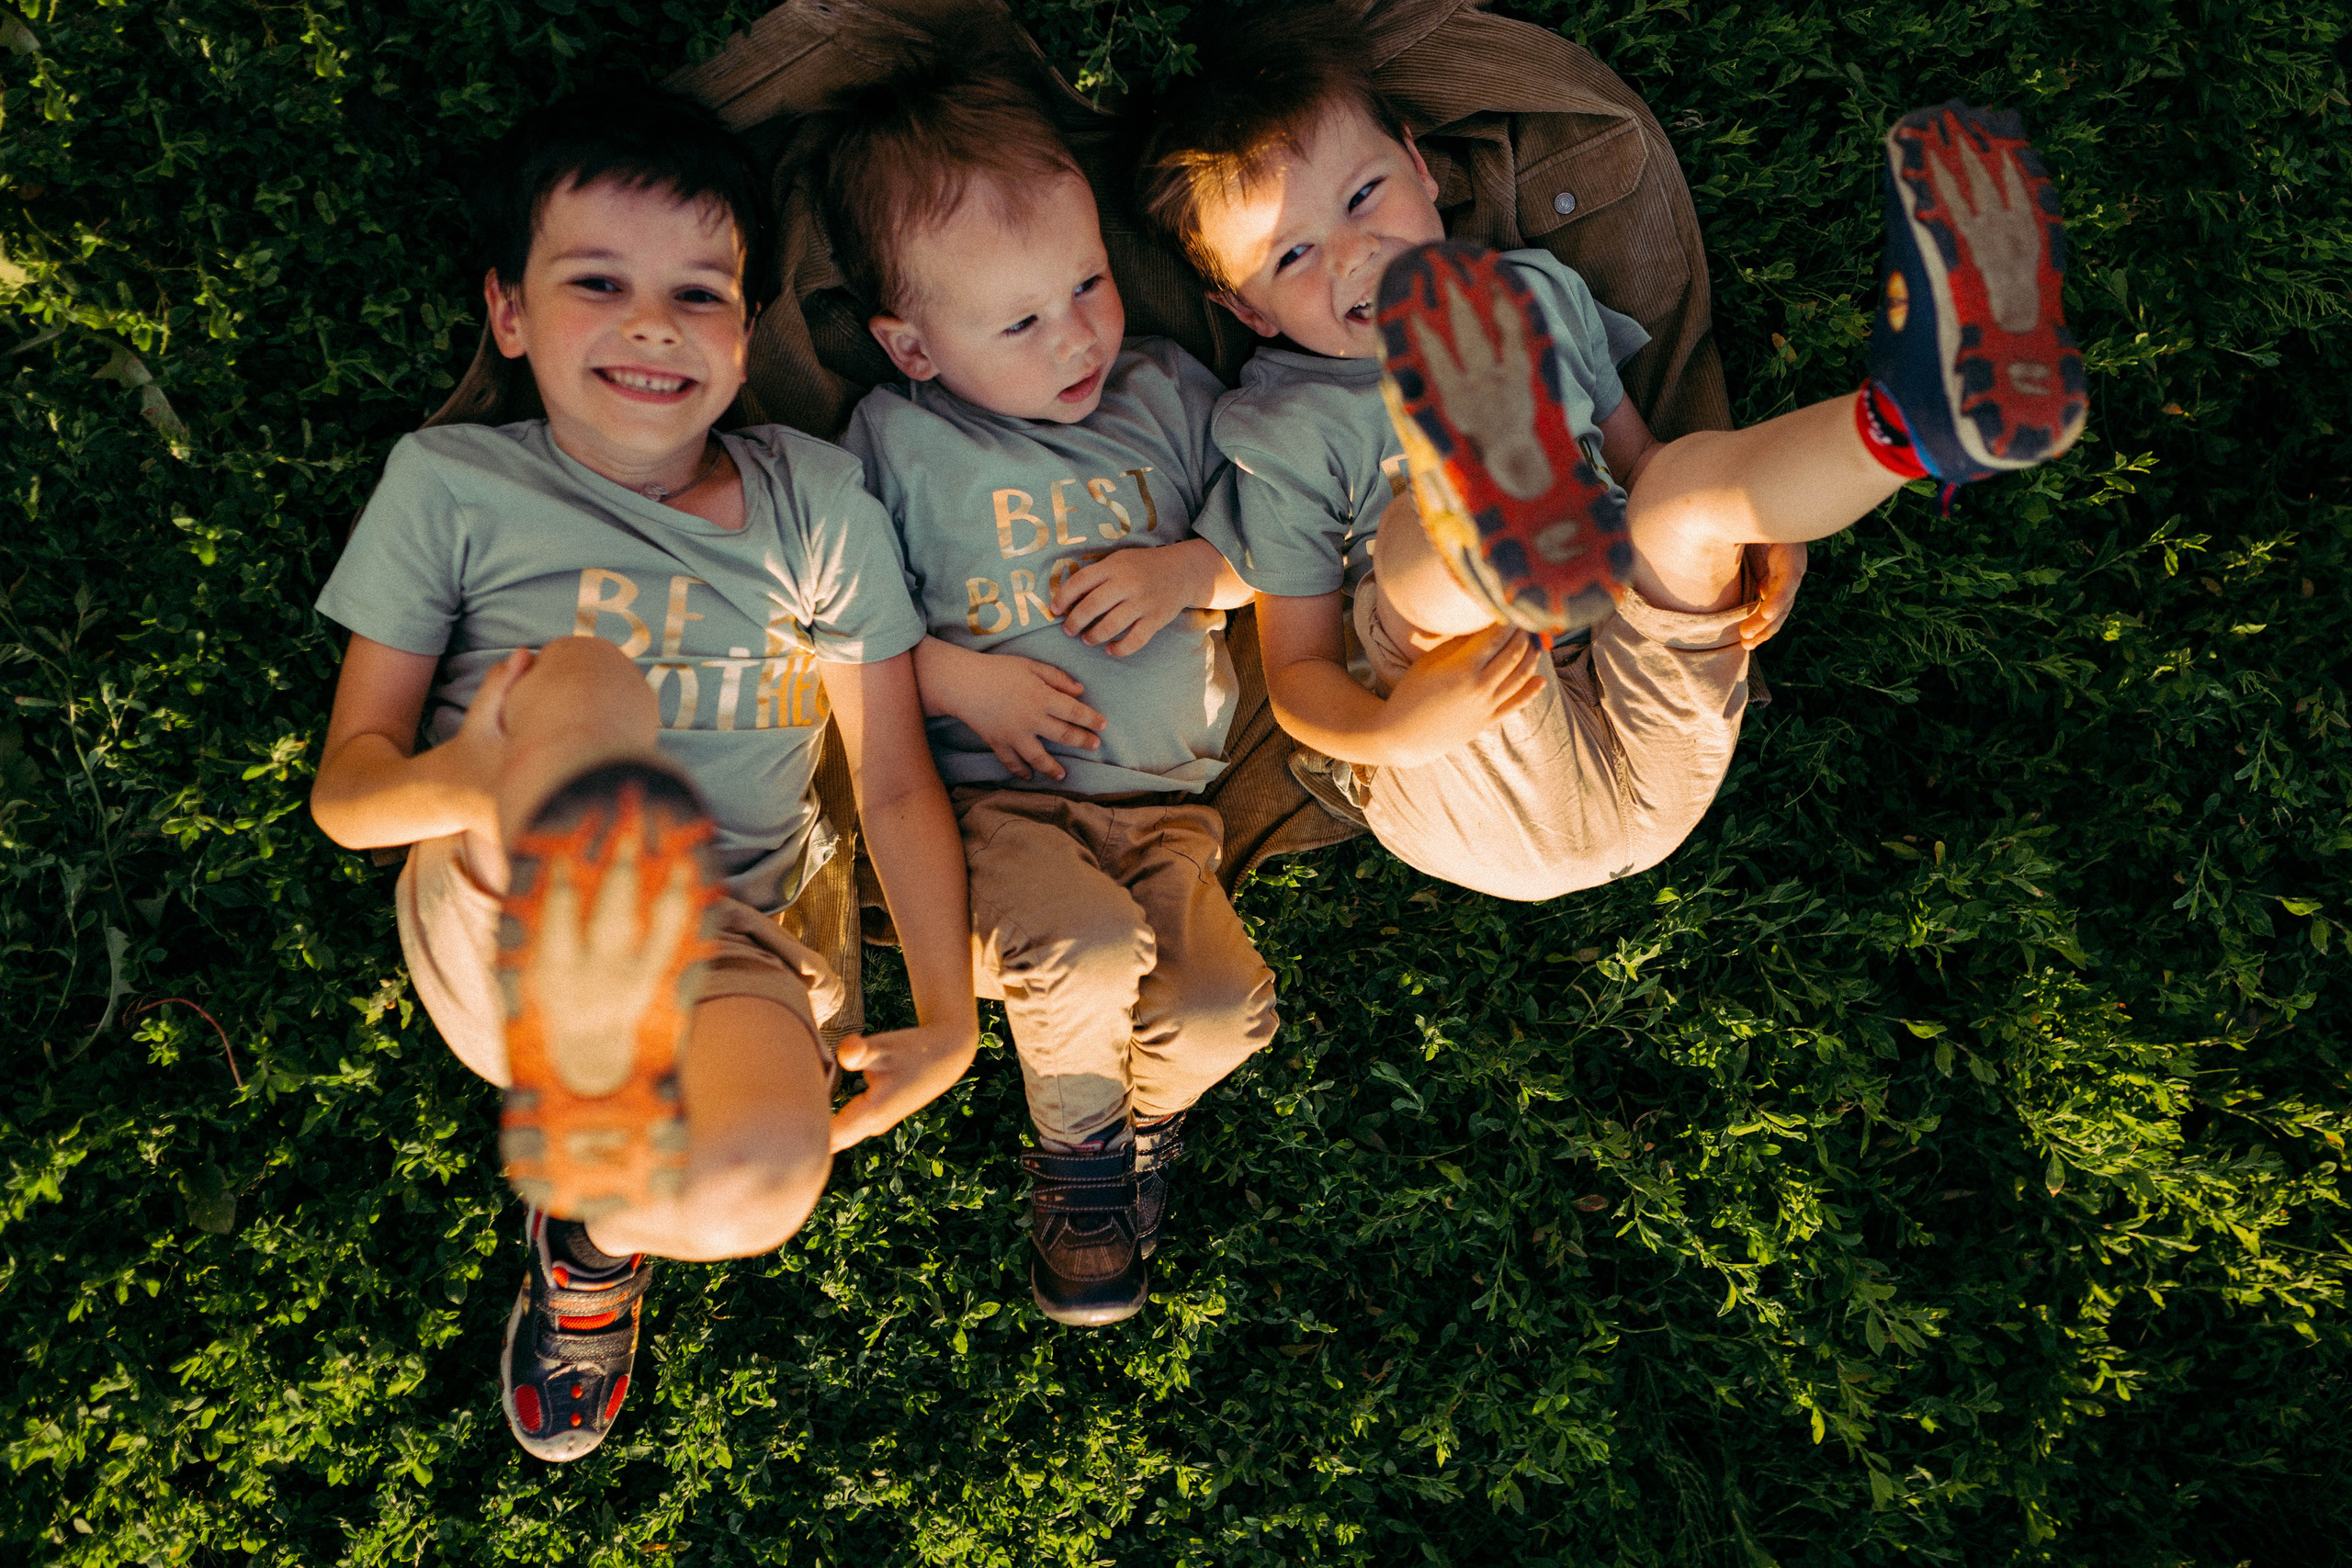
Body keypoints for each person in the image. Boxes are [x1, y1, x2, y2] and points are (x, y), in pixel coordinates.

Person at [308, 86, 979, 1460]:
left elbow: (896, 779)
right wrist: (477, 777)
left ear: (743, 335)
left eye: (697, 291)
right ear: (509, 316)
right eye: (596, 282)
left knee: (761, 1187)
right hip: (520, 915)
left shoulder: (815, 504)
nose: (652, 321)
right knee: (587, 680)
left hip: (735, 933)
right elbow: (349, 789)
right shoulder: (452, 485)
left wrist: (952, 1013)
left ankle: (594, 1232)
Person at [1136, 3, 2085, 901]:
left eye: (1363, 195)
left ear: (1422, 170)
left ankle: (1907, 424)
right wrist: (1393, 728)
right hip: (1478, 761)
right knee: (1412, 560)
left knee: (1677, 487)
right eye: (1292, 257)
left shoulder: (1537, 292)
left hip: (1649, 721)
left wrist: (1745, 520)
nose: (1351, 253)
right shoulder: (1279, 427)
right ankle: (1473, 500)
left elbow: (1637, 458)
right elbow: (1297, 675)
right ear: (1249, 311)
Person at [818, 59, 1278, 1325]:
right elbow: (834, 630)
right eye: (1017, 323)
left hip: (1171, 811)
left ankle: (1134, 1121)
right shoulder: (894, 441)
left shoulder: (1172, 394)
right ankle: (1077, 1164)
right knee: (1077, 949)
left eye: (1088, 283)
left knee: (1220, 1009)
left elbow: (1275, 547)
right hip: (1003, 815)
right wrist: (955, 674)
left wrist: (1191, 565)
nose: (1078, 334)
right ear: (914, 345)